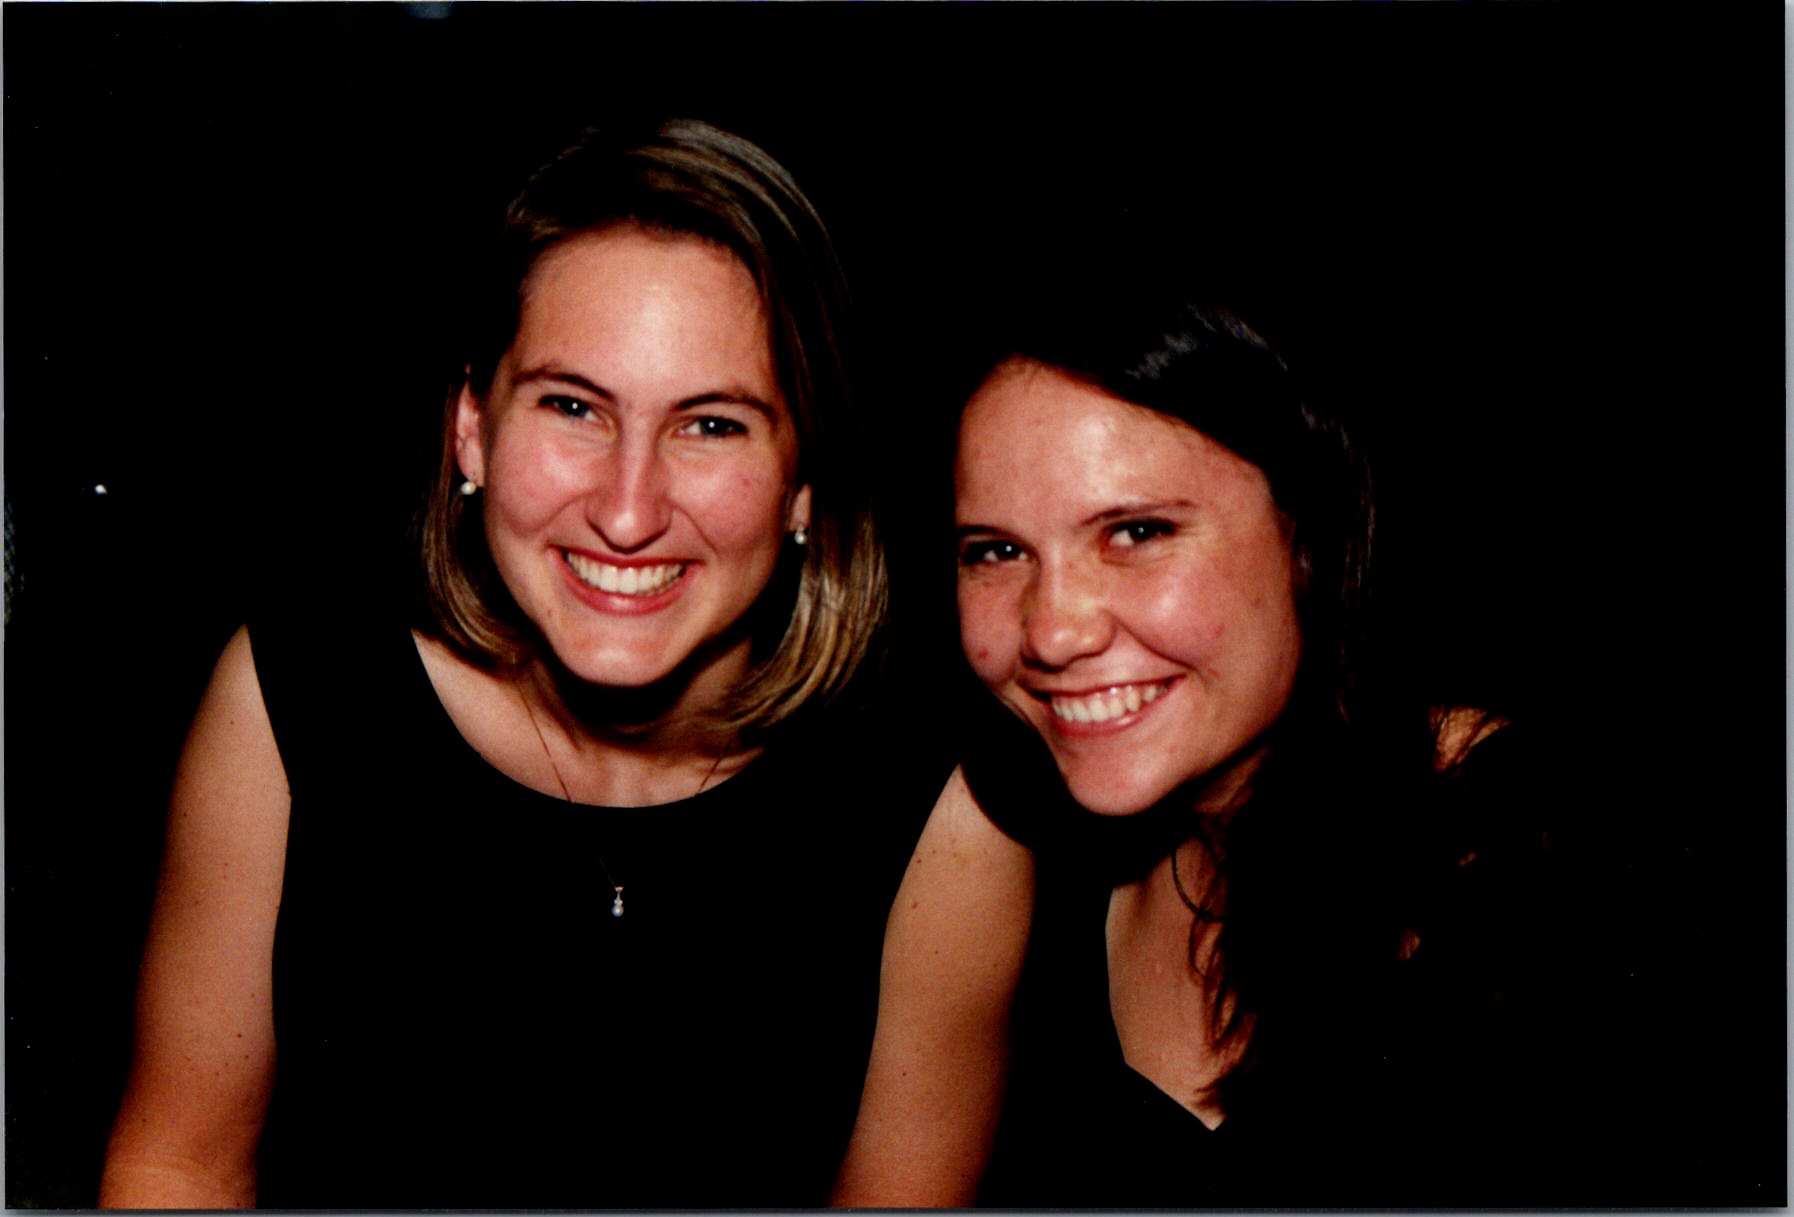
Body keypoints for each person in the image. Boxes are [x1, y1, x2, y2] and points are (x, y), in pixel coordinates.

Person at [99, 119, 939, 1210]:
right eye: (573, 406)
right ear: (471, 430)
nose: (628, 511)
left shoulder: (934, 801)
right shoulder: (296, 700)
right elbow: (178, 1165)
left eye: (712, 425)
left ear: (804, 482)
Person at [834, 265, 1641, 1207]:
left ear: (1312, 536)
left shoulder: (1534, 844)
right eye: (997, 551)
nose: (1052, 630)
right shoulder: (999, 818)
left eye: (1136, 532)